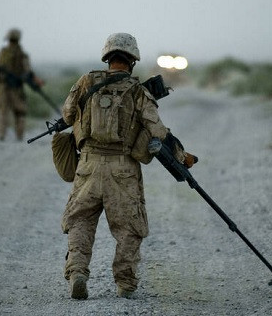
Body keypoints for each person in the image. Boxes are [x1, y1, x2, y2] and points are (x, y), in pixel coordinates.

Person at [60, 32, 195, 300]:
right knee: (129, 228)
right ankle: (125, 282)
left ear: (107, 57)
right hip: (123, 169)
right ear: (132, 60)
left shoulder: (86, 82)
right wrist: (182, 157)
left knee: (80, 222)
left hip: (88, 166)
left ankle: (77, 273)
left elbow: (67, 115)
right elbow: (157, 130)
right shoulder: (137, 91)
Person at [0, 28, 42, 141]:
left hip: (4, 88)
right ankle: (19, 137)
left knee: (3, 112)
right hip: (16, 89)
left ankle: (1, 136)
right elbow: (28, 72)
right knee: (20, 113)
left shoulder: (3, 53)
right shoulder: (22, 54)